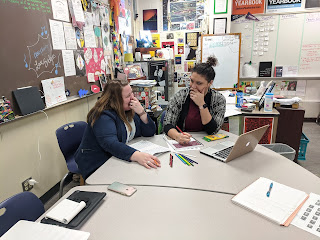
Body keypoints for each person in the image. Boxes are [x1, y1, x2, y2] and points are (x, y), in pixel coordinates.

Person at [75, 80, 161, 179]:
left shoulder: (128, 110)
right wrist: (136, 155)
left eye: (132, 93)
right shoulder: (103, 116)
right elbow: (110, 143)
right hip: (98, 164)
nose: (133, 98)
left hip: (117, 157)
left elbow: (149, 133)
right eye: (128, 96)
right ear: (116, 100)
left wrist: (142, 112)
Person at [164, 56, 226, 145]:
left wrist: (202, 104)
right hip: (184, 141)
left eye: (199, 83)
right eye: (192, 81)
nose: (193, 86)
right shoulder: (180, 96)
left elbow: (213, 130)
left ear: (210, 83)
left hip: (207, 142)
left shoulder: (218, 99)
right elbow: (167, 124)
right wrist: (177, 136)